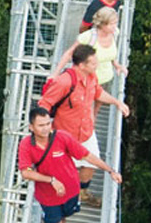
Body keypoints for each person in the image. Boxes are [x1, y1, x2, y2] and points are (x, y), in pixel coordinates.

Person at [16, 104, 120, 223]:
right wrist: (51, 180)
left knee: (62, 222)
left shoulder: (61, 137)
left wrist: (110, 170)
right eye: (41, 125)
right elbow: (25, 172)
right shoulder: (26, 145)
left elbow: (86, 155)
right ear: (31, 127)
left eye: (48, 123)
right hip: (49, 198)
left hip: (71, 191)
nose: (46, 128)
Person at [39, 42, 129, 199]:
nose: (97, 65)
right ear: (81, 65)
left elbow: (98, 93)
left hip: (86, 132)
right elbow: (44, 104)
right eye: (93, 63)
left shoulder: (92, 77)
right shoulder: (64, 82)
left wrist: (117, 103)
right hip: (65, 135)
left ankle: (81, 192)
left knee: (90, 164)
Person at [75, 5, 125, 90]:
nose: (114, 26)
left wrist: (117, 65)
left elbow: (110, 53)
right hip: (88, 81)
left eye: (116, 23)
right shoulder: (88, 37)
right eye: (111, 24)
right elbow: (70, 54)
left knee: (100, 101)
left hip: (106, 80)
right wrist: (55, 74)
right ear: (102, 24)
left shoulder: (114, 33)